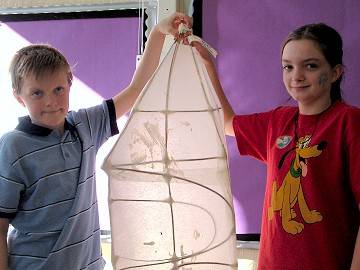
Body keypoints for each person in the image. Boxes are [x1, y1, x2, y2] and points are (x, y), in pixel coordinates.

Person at [0, 12, 192, 270]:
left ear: (70, 84)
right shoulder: (12, 147)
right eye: (37, 93)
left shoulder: (85, 125)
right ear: (19, 97)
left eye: (58, 89)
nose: (50, 101)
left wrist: (157, 33)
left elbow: (135, 91)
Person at [193, 23, 360, 269]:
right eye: (288, 67)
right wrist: (208, 65)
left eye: (310, 66)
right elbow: (227, 122)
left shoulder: (349, 122)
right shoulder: (277, 121)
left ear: (335, 72)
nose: (297, 76)